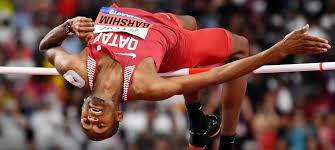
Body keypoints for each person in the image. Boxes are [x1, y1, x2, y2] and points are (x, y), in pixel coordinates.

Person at [38, 4, 330, 150]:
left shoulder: (77, 70)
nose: (93, 119)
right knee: (239, 46)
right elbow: (217, 75)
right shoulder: (145, 84)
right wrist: (279, 49)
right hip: (173, 42)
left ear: (83, 108)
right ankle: (226, 141)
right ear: (118, 117)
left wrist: (67, 26)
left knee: (191, 21)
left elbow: (46, 46)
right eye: (99, 126)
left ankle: (197, 120)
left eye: (86, 121)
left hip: (129, 16)